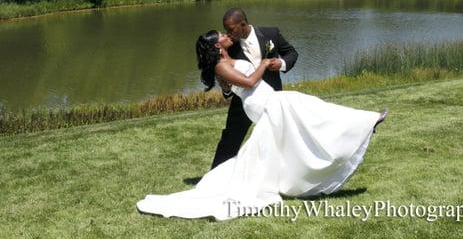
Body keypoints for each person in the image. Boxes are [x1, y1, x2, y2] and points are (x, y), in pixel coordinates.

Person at [136, 30, 388, 220]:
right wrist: (265, 64)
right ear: (217, 45)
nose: (226, 35)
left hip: (268, 100)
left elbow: (233, 87)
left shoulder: (226, 62)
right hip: (263, 103)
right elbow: (246, 83)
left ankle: (362, 124)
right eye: (222, 35)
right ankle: (365, 122)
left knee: (307, 116)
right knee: (310, 110)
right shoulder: (221, 65)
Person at [211, 8, 298, 169]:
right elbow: (227, 80)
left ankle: (284, 172)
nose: (228, 34)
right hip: (243, 102)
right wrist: (226, 89)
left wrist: (282, 63)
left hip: (271, 98)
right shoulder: (229, 47)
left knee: (279, 138)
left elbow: (292, 53)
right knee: (230, 139)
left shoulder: (271, 33)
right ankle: (215, 175)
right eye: (226, 30)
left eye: (231, 29)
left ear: (242, 24)